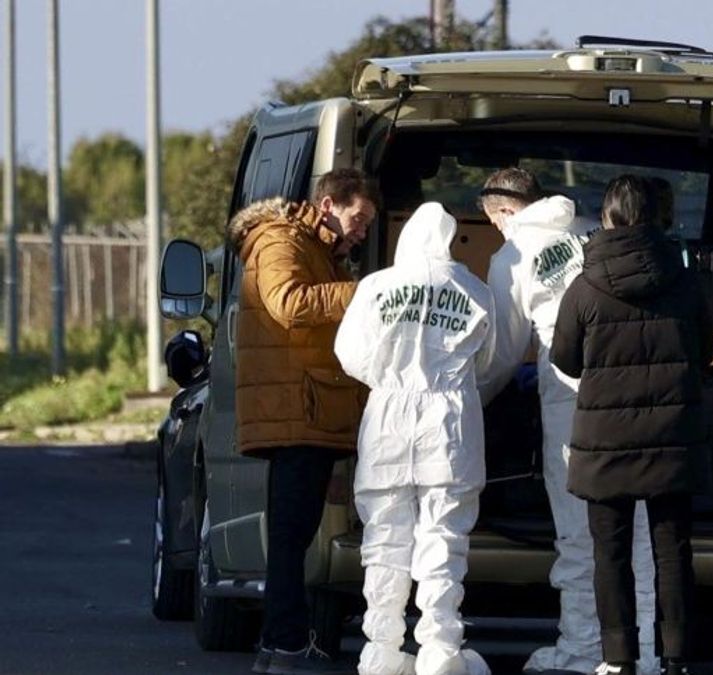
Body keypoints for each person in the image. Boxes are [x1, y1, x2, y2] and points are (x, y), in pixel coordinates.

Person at [475, 168, 659, 675]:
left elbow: (504, 352)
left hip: (572, 401)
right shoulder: (593, 232)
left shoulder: (513, 256)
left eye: (494, 223)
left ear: (504, 212)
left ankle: (581, 647)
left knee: (580, 534)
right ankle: (642, 653)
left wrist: (472, 397)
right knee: (637, 533)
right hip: (631, 392)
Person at [551, 175, 713, 675]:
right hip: (672, 436)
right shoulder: (685, 280)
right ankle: (676, 657)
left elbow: (566, 358)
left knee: (611, 553)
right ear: (653, 217)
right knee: (672, 551)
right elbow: (705, 352)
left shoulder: (584, 287)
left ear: (608, 217)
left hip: (607, 442)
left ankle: (619, 658)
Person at [228, 168, 380, 674]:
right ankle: (287, 643)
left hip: (306, 406)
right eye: (357, 218)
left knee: (294, 534)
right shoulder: (279, 240)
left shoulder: (316, 248)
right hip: (298, 407)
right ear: (329, 204)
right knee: (292, 536)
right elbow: (287, 303)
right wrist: (362, 293)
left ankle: (280, 643)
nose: (361, 230)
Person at [335, 202, 495, 675]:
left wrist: (389, 377)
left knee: (384, 538)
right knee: (444, 537)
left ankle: (382, 649)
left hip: (388, 417)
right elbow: (487, 361)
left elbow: (349, 355)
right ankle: (440, 651)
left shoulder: (376, 287)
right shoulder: (474, 289)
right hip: (449, 422)